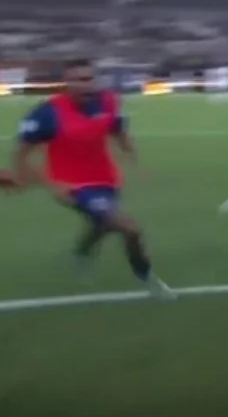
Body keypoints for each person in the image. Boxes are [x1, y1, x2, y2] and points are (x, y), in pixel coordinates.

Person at [14, 59, 174, 300]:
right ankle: (149, 279)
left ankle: (81, 254)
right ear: (67, 83)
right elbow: (21, 155)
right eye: (78, 79)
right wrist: (51, 185)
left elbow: (119, 133)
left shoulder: (108, 102)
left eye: (89, 78)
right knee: (130, 229)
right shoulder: (48, 113)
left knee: (103, 223)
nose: (85, 84)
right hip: (71, 185)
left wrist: (136, 164)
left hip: (105, 179)